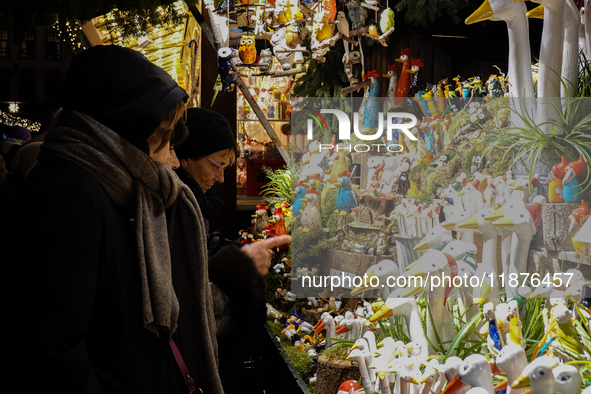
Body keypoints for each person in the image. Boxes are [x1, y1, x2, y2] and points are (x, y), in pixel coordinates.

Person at [0, 45, 290, 394]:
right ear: (125, 132)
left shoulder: (115, 191)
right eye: (162, 141)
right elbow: (51, 350)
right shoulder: (71, 195)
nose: (172, 161)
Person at [174, 108, 283, 393]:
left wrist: (231, 249)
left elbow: (203, 249)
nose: (221, 179)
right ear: (185, 158)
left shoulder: (195, 203)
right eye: (215, 166)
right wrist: (240, 264)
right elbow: (189, 292)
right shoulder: (176, 207)